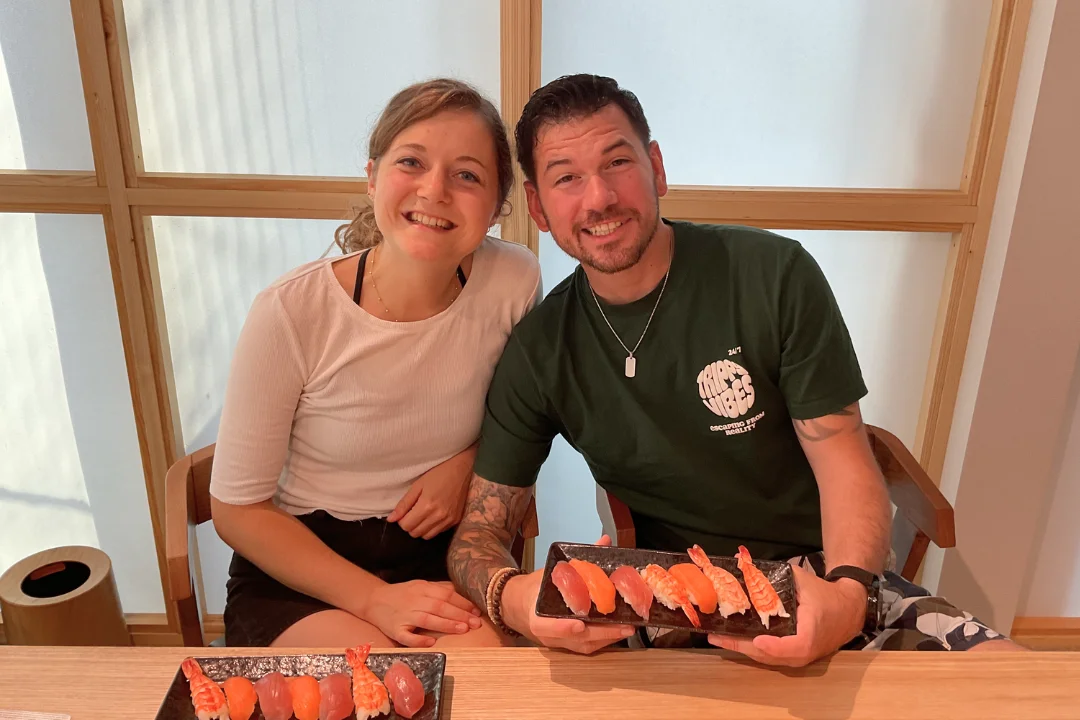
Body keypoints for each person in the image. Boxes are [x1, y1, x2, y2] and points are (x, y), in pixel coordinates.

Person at [447, 73, 1022, 664]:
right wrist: (518, 600)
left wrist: (848, 599)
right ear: (539, 207)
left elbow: (846, 458)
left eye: (617, 163)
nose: (598, 199)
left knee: (1017, 686)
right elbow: (479, 534)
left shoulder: (770, 275)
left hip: (822, 576)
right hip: (671, 599)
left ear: (656, 168)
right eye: (567, 177)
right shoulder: (542, 349)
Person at [209, 78, 541, 649]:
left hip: (442, 552)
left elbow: (525, 414)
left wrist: (468, 463)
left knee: (489, 685)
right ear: (372, 177)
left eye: (467, 175)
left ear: (496, 209)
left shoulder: (513, 280)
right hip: (305, 568)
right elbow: (237, 511)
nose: (435, 190)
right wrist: (373, 599)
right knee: (374, 690)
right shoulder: (291, 311)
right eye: (411, 162)